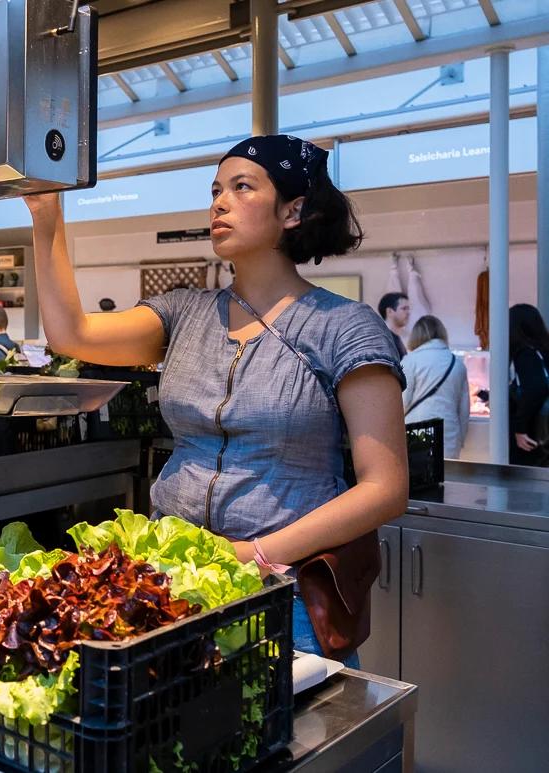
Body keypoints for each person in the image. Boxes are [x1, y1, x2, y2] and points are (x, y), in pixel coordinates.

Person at [25, 134, 408, 665]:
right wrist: (48, 215)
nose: (218, 203)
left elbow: (385, 488)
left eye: (242, 187)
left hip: (283, 591)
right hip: (168, 584)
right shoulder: (185, 313)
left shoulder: (344, 327)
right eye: (215, 190)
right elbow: (72, 334)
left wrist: (255, 555)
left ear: (293, 211)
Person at [400, 315, 469, 458]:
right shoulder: (457, 363)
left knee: (418, 475)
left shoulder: (410, 361)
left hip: (416, 427)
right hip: (449, 430)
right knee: (446, 475)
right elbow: (464, 408)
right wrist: (460, 438)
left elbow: (403, 401)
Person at [509, 304, 549, 466]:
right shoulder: (542, 351)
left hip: (531, 435)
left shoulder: (526, 354)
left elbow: (535, 388)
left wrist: (520, 428)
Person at [377, 292, 410, 359]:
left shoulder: (396, 338)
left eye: (408, 308)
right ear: (389, 311)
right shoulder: (382, 339)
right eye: (404, 308)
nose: (408, 312)